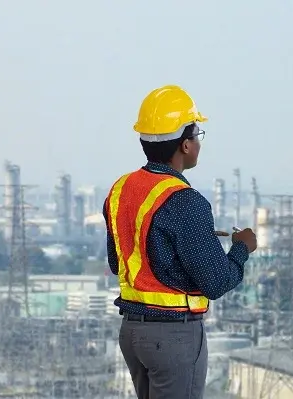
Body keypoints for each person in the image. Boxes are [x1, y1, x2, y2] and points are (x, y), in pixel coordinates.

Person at [103, 84, 257, 399]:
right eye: (197, 135)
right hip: (173, 337)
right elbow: (217, 282)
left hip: (133, 332)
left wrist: (187, 242)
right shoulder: (185, 202)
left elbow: (120, 260)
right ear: (185, 145)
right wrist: (242, 248)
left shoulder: (121, 190)